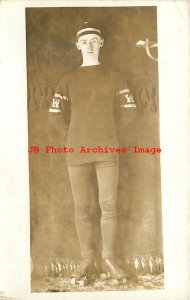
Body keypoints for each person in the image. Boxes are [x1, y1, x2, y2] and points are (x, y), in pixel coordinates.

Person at [48, 22, 137, 283]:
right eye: (84, 41)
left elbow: (130, 111)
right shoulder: (67, 80)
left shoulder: (115, 77)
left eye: (93, 40)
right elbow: (54, 116)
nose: (89, 45)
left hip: (107, 150)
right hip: (76, 153)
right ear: (77, 45)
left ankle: (108, 258)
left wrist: (107, 132)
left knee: (108, 206)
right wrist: (76, 137)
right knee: (82, 208)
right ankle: (87, 259)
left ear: (101, 44)